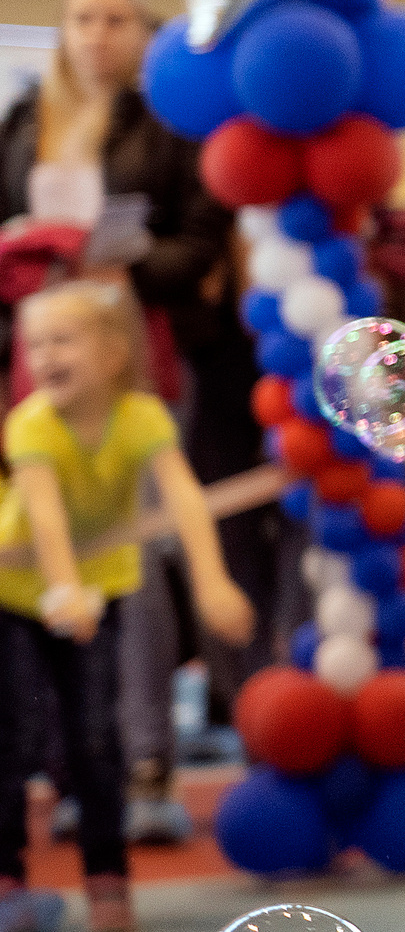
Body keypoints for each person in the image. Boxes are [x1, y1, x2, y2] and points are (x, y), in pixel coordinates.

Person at [0, 0, 246, 846]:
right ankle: (65, 758)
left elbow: (201, 243)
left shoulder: (169, 125)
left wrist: (125, 265)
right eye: (82, 17)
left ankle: (142, 751)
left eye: (115, 18)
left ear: (142, 33)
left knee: (132, 551)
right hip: (37, 361)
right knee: (44, 547)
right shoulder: (25, 122)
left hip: (138, 355)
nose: (97, 34)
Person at [0, 280, 255, 932]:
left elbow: (185, 497)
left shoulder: (143, 416)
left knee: (96, 737)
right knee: (16, 737)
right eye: (35, 345)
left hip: (100, 591)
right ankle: (7, 880)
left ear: (114, 354)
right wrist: (63, 589)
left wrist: (212, 581)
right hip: (18, 595)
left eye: (63, 340)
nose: (45, 355)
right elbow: (47, 518)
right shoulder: (30, 424)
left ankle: (107, 877)